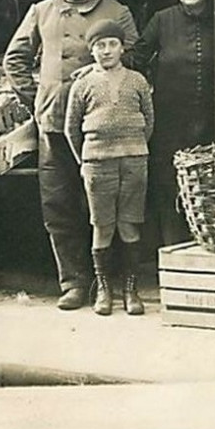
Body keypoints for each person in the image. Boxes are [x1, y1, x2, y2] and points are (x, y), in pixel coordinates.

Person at [2, 0, 139, 310]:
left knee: (106, 206)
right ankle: (74, 283)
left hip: (102, 126)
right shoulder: (42, 11)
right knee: (59, 205)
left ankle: (108, 284)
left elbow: (137, 57)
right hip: (53, 124)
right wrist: (38, 98)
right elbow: (14, 59)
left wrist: (96, 73)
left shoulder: (116, 11)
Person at [64, 19, 154, 316]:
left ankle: (130, 289)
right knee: (102, 225)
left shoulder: (137, 81)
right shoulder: (83, 84)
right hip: (97, 163)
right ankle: (104, 289)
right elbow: (70, 128)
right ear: (91, 51)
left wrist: (133, 147)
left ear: (121, 47)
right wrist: (86, 160)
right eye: (99, 46)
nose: (106, 51)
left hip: (133, 160)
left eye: (111, 44)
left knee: (129, 223)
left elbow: (149, 121)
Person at [134, 0, 214, 247]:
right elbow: (136, 58)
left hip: (211, 120)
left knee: (207, 190)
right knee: (170, 189)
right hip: (169, 123)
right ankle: (172, 258)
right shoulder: (162, 20)